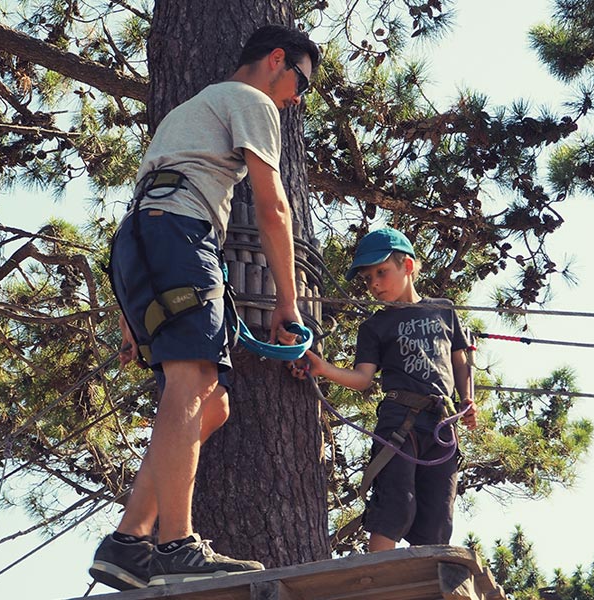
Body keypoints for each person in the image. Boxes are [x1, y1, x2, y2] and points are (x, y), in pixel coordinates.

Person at [89, 24, 321, 590]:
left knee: (209, 403)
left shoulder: (188, 113)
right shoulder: (250, 100)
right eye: (301, 83)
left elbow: (149, 210)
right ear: (276, 60)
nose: (296, 100)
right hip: (180, 237)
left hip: (141, 244)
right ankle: (177, 544)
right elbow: (273, 208)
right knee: (191, 383)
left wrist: (128, 319)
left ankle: (128, 539)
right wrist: (288, 305)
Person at [285, 228, 477, 552]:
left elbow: (461, 359)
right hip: (399, 422)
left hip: (442, 426)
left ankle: (421, 587)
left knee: (438, 519)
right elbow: (363, 378)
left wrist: (467, 398)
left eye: (381, 272)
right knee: (395, 505)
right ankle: (378, 579)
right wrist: (323, 368)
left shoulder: (444, 310)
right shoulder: (375, 326)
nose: (373, 284)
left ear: (408, 267)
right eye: (367, 278)